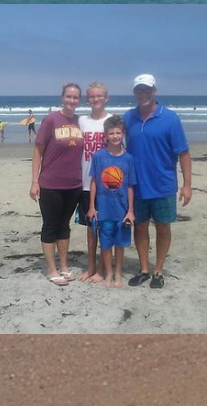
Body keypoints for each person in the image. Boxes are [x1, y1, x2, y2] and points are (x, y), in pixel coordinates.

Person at [123, 73, 191, 289]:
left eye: (147, 89)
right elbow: (113, 140)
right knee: (140, 227)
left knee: (162, 227)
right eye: (139, 90)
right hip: (136, 186)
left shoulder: (170, 118)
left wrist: (187, 185)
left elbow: (183, 153)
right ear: (134, 93)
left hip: (163, 185)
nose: (143, 94)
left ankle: (158, 270)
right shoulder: (128, 117)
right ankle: (144, 269)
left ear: (155, 91)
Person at [29, 83, 85, 286]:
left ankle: (64, 266)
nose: (72, 100)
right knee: (50, 226)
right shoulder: (51, 120)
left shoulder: (81, 122)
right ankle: (51, 270)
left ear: (79, 100)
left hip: (74, 184)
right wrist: (34, 181)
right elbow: (38, 151)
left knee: (64, 226)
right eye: (69, 96)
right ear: (62, 97)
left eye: (75, 97)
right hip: (50, 184)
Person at [87, 115, 137, 289]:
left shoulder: (128, 158)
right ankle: (108, 273)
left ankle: (117, 274)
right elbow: (94, 182)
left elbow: (130, 186)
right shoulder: (98, 157)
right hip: (104, 210)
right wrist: (92, 206)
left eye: (118, 133)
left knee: (120, 245)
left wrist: (130, 210)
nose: (115, 136)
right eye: (111, 133)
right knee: (106, 244)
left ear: (123, 134)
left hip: (122, 211)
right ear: (105, 136)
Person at [74, 83, 111, 283]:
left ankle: (104, 268)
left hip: (108, 184)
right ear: (87, 100)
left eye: (99, 96)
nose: (96, 99)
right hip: (86, 184)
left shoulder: (112, 120)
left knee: (106, 227)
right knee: (91, 228)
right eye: (92, 96)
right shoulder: (82, 121)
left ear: (106, 98)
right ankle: (91, 267)